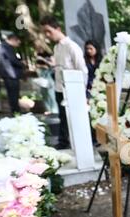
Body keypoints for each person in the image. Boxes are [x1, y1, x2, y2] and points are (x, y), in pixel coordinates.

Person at [40, 16, 88, 150]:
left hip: (72, 91)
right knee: (62, 117)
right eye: (45, 33)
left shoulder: (72, 46)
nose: (47, 35)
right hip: (59, 88)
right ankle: (63, 142)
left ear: (58, 29)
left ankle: (79, 145)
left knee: (75, 119)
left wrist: (81, 93)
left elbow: (82, 70)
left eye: (49, 31)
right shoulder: (56, 48)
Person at [0, 34, 24, 115]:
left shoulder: (4, 46)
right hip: (11, 75)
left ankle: (16, 111)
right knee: (13, 95)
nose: (19, 43)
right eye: (17, 41)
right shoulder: (5, 47)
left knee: (13, 95)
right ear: (13, 40)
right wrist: (21, 64)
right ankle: (16, 112)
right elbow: (12, 59)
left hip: (10, 74)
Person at [34, 50, 58, 114]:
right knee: (44, 93)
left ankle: (54, 109)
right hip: (42, 75)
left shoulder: (50, 55)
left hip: (49, 75)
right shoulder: (38, 54)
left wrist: (44, 60)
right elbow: (37, 65)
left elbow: (53, 65)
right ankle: (48, 109)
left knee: (51, 93)